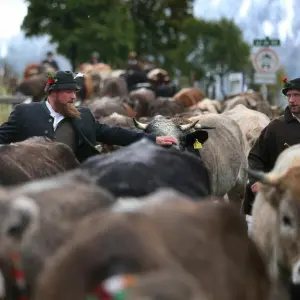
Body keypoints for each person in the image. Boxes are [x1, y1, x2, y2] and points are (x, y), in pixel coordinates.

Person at [0, 71, 177, 163]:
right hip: (32, 183)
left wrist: (153, 139)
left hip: (74, 182)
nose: (74, 97)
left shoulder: (82, 115)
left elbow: (113, 132)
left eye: (74, 92)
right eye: (69, 92)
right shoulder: (24, 113)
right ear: (53, 92)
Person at [245, 77, 300, 213]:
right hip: (281, 198)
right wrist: (256, 181)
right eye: (289, 96)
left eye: (297, 95)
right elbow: (255, 157)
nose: (291, 100)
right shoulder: (276, 127)